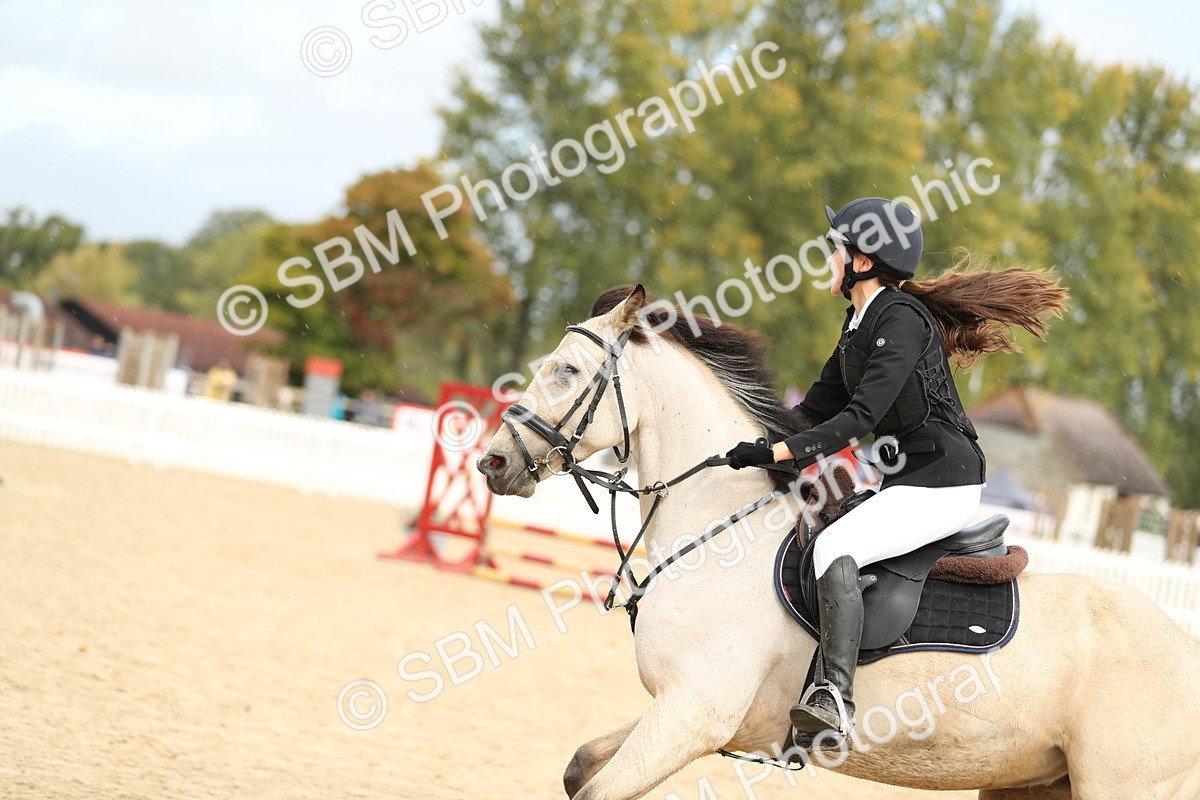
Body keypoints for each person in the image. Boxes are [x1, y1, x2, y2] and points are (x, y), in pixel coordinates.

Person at [725, 198, 1066, 745]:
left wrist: (781, 454)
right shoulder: (858, 321)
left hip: (945, 481)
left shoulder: (901, 320)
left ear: (863, 262)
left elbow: (858, 418)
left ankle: (833, 696)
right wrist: (755, 441)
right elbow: (815, 409)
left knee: (837, 547)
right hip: (909, 479)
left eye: (837, 248)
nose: (829, 258)